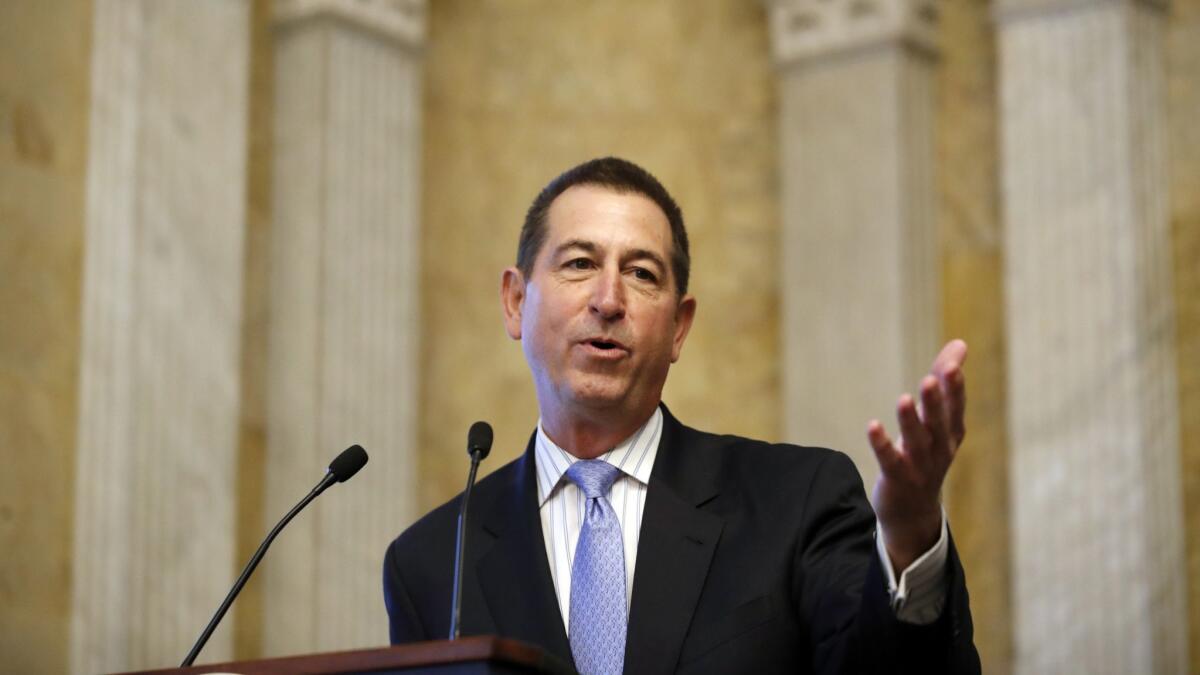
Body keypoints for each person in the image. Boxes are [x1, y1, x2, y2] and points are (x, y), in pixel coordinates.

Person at [383, 157, 980, 674]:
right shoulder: (433, 563)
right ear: (516, 301)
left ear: (679, 326)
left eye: (642, 274)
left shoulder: (796, 503)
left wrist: (908, 539)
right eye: (579, 264)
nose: (609, 300)